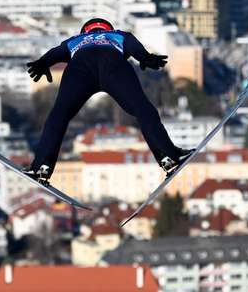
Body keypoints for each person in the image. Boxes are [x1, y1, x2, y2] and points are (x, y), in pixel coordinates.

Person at [24, 17, 193, 184]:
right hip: (113, 65)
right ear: (108, 28)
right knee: (143, 109)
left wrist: (42, 63)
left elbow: (56, 52)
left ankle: (41, 167)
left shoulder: (75, 40)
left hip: (80, 68)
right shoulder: (118, 34)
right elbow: (132, 44)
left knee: (59, 115)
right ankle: (168, 156)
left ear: (85, 31)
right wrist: (145, 57)